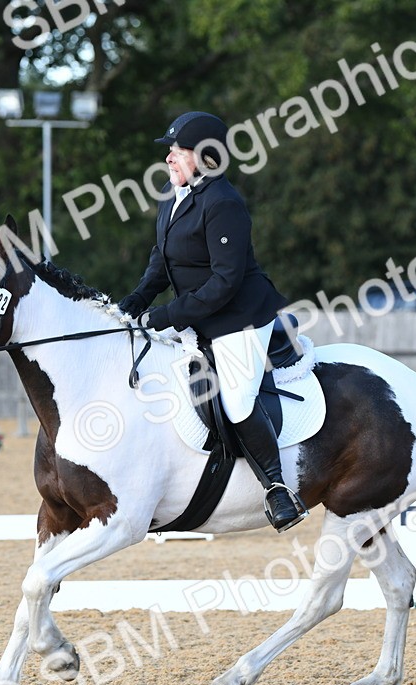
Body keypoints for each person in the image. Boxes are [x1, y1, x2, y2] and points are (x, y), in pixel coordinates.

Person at [117, 111, 309, 532]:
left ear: (204, 156)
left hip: (239, 320)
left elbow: (225, 281)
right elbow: (161, 260)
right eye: (169, 151)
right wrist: (135, 301)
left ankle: (277, 488)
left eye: (177, 151)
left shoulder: (224, 203)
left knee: (237, 400)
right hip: (197, 316)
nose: (169, 158)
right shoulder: (174, 196)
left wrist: (166, 315)